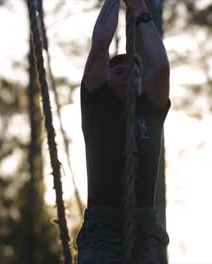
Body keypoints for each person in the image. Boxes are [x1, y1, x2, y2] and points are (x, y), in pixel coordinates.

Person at [75, 0, 170, 263]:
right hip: (101, 227)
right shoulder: (95, 103)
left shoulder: (150, 110)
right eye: (117, 69)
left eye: (135, 71)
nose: (126, 72)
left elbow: (161, 67)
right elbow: (101, 43)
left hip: (145, 226)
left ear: (141, 82)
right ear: (105, 76)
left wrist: (139, 9)